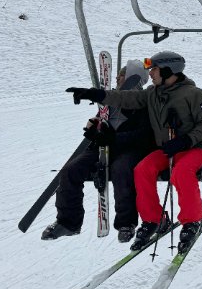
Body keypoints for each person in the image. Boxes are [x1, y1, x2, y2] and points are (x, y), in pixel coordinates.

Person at [66, 51, 202, 253]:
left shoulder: (195, 94)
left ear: (167, 69)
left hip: (195, 148)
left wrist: (186, 140)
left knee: (181, 173)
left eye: (153, 68)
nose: (150, 73)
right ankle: (153, 219)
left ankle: (192, 221)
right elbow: (126, 98)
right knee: (142, 169)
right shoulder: (152, 94)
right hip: (168, 149)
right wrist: (96, 94)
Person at [43, 61, 153, 242]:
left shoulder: (142, 101)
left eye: (122, 75)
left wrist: (114, 138)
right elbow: (103, 119)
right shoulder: (110, 100)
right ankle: (68, 222)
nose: (117, 78)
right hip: (104, 147)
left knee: (121, 171)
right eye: (117, 75)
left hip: (129, 149)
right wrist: (95, 128)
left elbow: (143, 135)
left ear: (134, 78)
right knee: (71, 170)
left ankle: (126, 223)